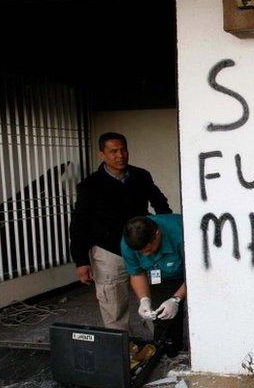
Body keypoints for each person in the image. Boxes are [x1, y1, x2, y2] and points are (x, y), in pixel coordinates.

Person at [69, 132, 172, 331]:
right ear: (102, 155)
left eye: (123, 150)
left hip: (142, 247)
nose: (120, 155)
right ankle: (122, 349)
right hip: (109, 251)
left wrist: (163, 232)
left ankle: (160, 341)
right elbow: (79, 223)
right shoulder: (90, 185)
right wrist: (80, 260)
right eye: (113, 151)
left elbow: (160, 203)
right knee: (113, 303)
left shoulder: (141, 176)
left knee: (153, 297)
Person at [121, 214, 186, 356]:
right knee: (162, 316)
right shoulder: (128, 244)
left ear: (158, 234)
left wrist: (176, 298)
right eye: (140, 252)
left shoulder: (181, 232)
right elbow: (137, 273)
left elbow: (196, 273)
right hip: (160, 276)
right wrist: (144, 299)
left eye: (148, 250)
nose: (144, 255)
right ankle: (169, 354)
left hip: (190, 273)